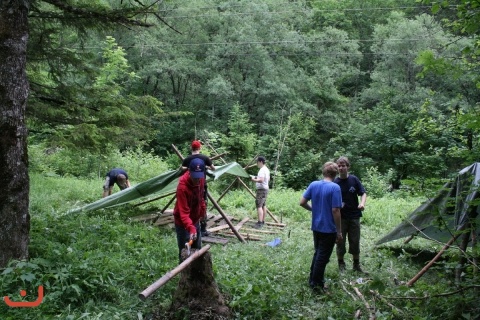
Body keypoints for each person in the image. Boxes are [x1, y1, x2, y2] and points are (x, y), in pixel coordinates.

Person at [299, 161, 343, 294]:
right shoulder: (335, 188)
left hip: (316, 226)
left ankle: (313, 279)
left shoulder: (314, 184)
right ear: (335, 173)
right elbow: (336, 210)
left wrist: (314, 209)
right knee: (322, 256)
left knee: (318, 252)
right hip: (328, 228)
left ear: (324, 172)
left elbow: (302, 202)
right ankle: (316, 285)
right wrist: (339, 231)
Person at [334, 156, 367, 273]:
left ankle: (356, 265)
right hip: (340, 217)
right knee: (340, 241)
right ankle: (341, 265)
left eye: (343, 165)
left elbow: (363, 193)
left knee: (355, 240)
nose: (341, 168)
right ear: (336, 167)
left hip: (354, 216)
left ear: (348, 167)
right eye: (339, 166)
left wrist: (362, 203)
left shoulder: (354, 179)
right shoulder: (335, 182)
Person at [173, 158, 207, 263]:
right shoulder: (182, 187)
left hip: (195, 219)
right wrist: (190, 227)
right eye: (194, 177)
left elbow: (201, 196)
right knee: (184, 252)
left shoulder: (201, 178)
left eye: (199, 177)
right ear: (189, 172)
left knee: (198, 249)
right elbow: (183, 213)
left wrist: (202, 211)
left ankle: (198, 275)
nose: (197, 180)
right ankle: (184, 275)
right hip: (182, 223)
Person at [181, 140, 215, 236]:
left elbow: (181, 168)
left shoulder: (187, 159)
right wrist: (206, 168)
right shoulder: (204, 158)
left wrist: (189, 168)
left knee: (189, 205)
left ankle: (190, 226)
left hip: (190, 185)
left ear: (191, 148)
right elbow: (214, 168)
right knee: (202, 205)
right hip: (201, 186)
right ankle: (202, 229)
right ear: (200, 148)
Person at [251, 156, 270, 229]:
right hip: (265, 189)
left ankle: (259, 223)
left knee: (259, 206)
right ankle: (262, 221)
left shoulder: (262, 170)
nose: (257, 164)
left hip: (261, 190)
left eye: (257, 162)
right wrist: (257, 178)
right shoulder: (266, 169)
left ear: (261, 162)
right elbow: (268, 179)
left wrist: (253, 179)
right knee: (263, 205)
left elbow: (261, 180)